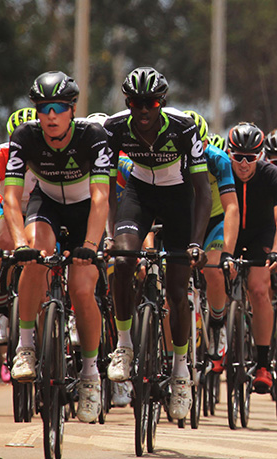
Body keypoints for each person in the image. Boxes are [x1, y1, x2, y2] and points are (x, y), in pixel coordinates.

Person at [103, 67, 211, 420]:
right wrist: (107, 233)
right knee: (121, 261)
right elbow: (103, 188)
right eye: (136, 103)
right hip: (138, 194)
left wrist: (196, 242)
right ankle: (124, 345)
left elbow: (202, 191)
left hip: (178, 197)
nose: (143, 110)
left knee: (177, 293)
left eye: (151, 103)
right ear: (127, 103)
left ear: (161, 103)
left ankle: (181, 371)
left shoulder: (183, 127)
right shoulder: (115, 127)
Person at [4, 71, 111, 423]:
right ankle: (25, 347)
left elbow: (100, 197)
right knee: (34, 255)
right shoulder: (25, 137)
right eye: (43, 107)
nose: (51, 115)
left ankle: (91, 374)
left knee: (83, 289)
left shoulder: (93, 136)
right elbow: (10, 195)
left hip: (85, 212)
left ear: (72, 110)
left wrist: (92, 245)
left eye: (59, 108)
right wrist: (19, 243)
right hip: (46, 203)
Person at [226, 122, 277, 394]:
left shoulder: (273, 176)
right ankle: (217, 342)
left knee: (260, 290)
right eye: (237, 156)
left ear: (260, 155)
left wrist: (276, 250)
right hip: (230, 231)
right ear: (229, 153)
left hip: (262, 235)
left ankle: (263, 363)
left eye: (250, 157)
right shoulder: (222, 171)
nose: (243, 163)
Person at [0, 107, 38, 347]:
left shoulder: (51, 154)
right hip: (6, 204)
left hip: (40, 207)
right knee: (0, 239)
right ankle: (0, 312)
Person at [182, 110, 239, 375]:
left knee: (213, 269)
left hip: (214, 219)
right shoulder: (170, 159)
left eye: (201, 145)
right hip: (184, 221)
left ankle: (217, 323)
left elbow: (231, 209)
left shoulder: (218, 160)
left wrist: (227, 252)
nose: (196, 150)